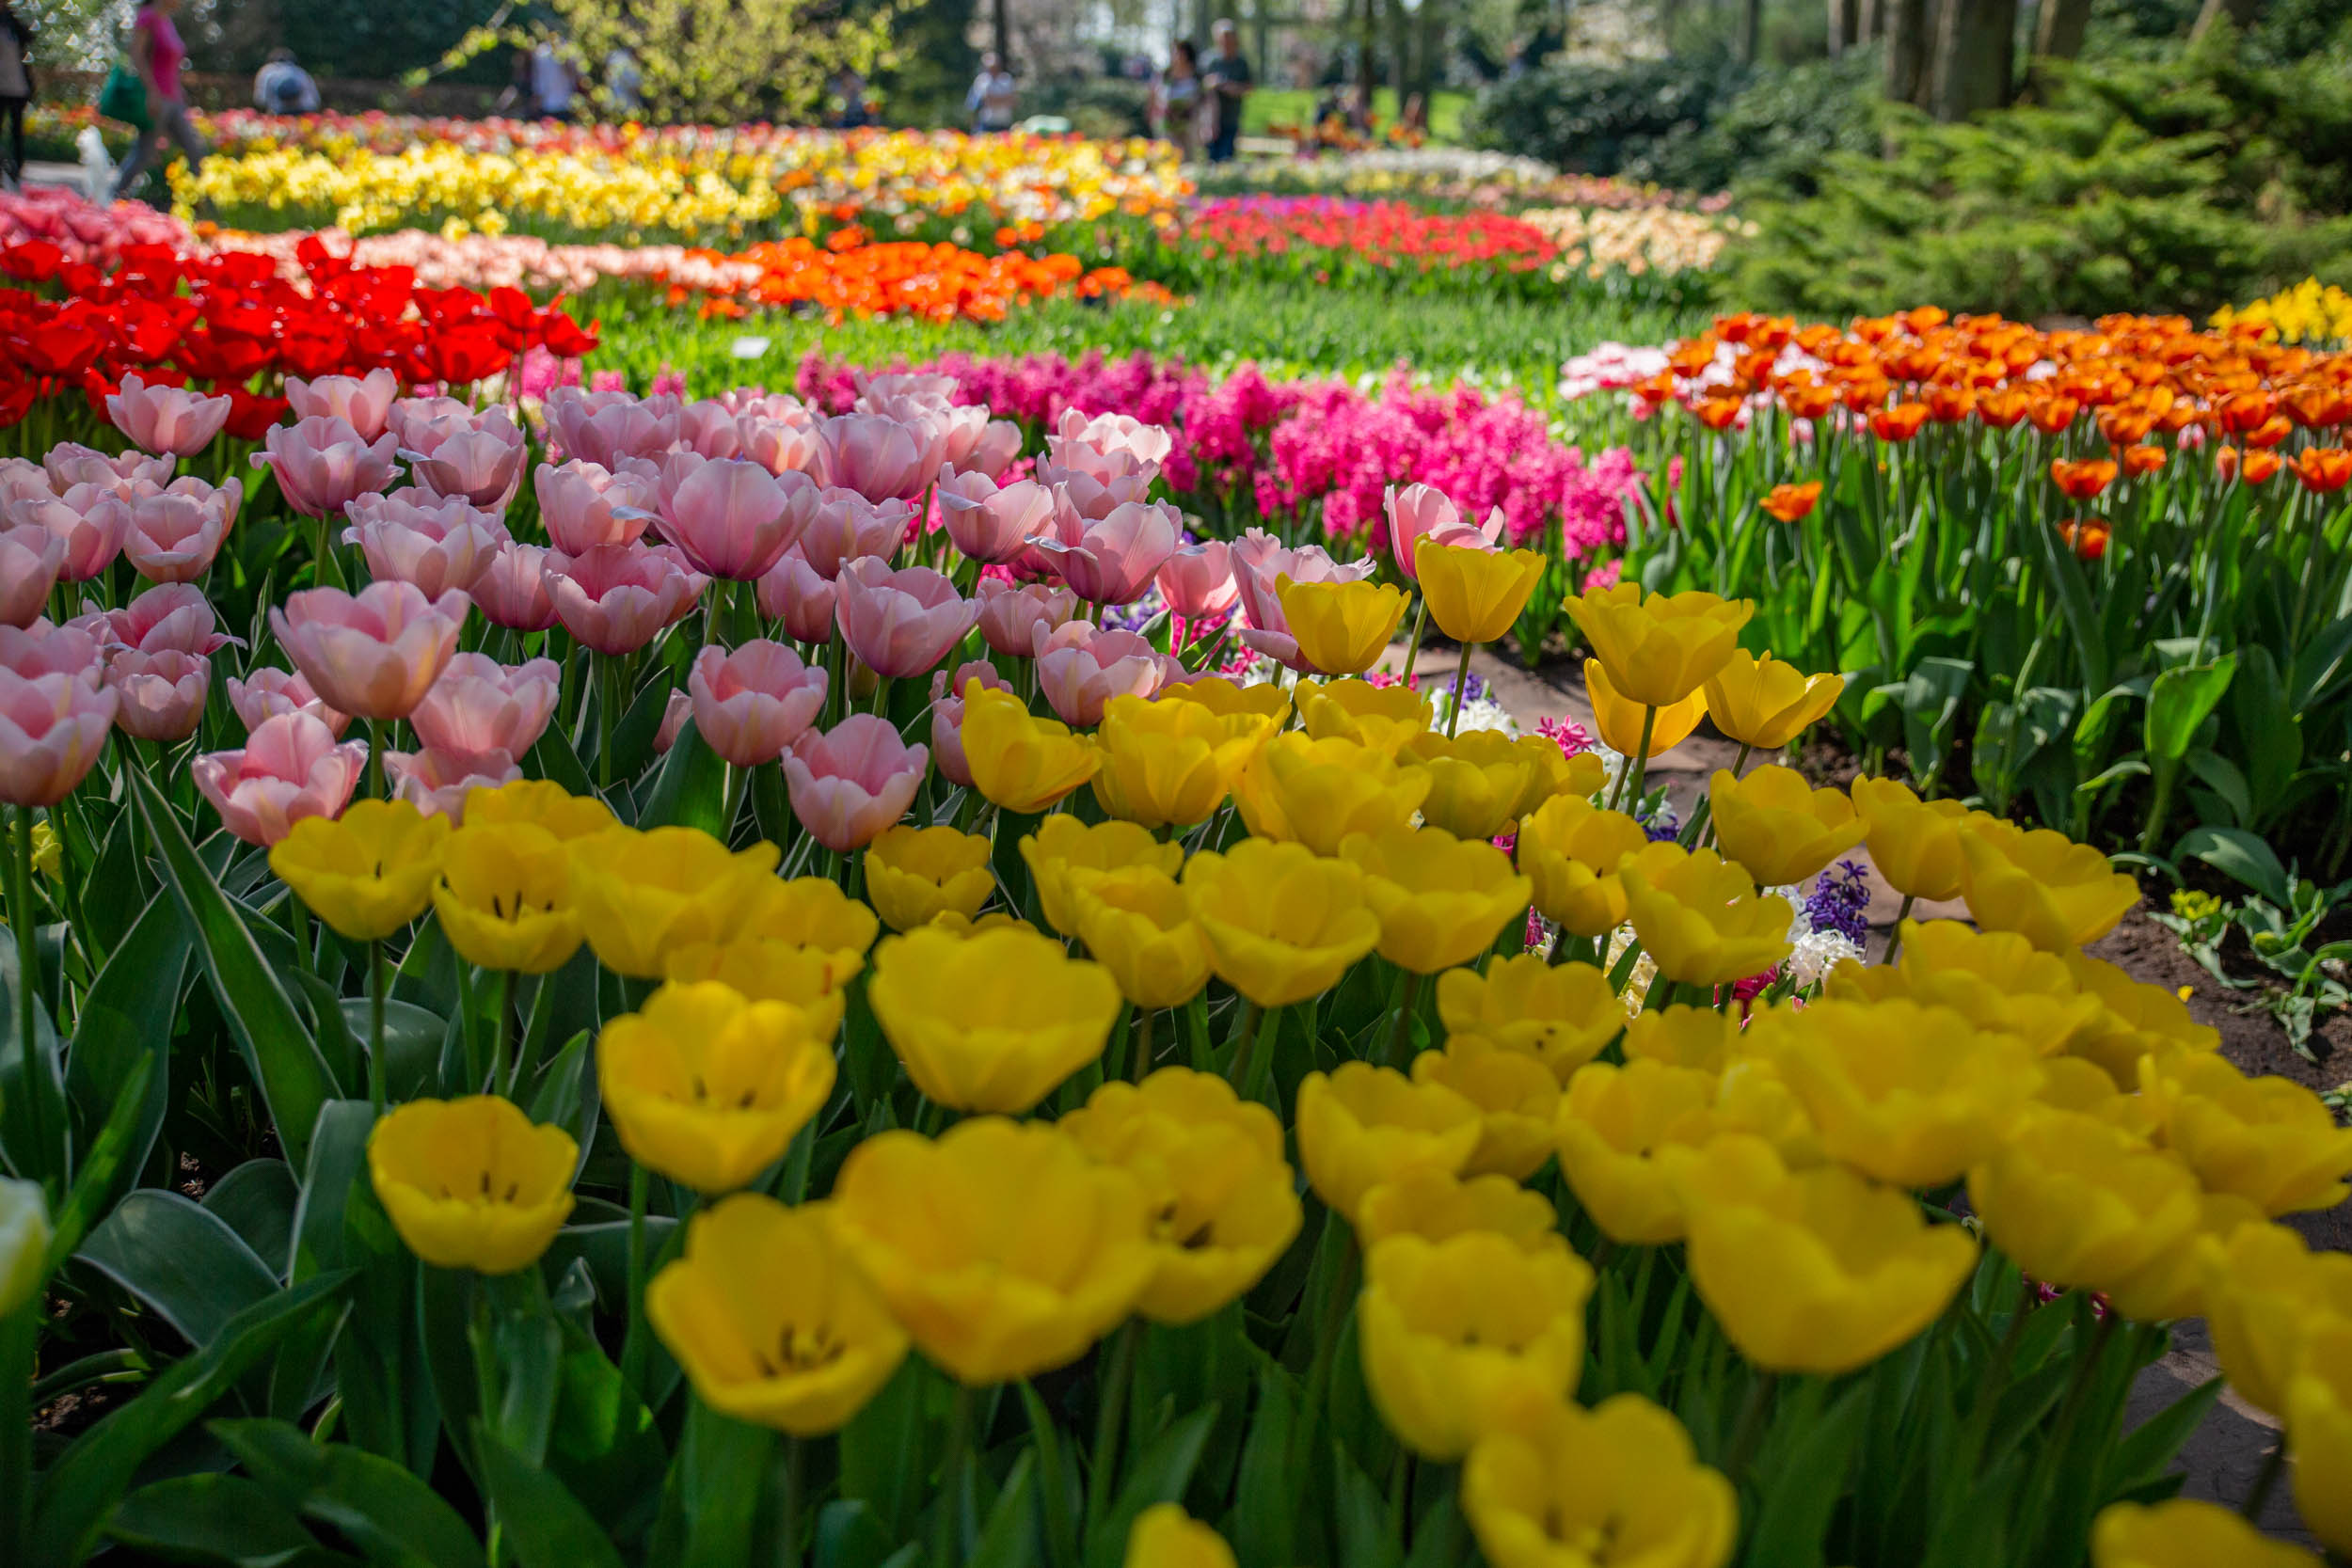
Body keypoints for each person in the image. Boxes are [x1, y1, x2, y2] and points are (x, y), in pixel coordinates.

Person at [111, 0, 207, 205]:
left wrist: (180, 93)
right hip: (157, 98)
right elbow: (136, 54)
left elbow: (171, 64)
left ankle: (204, 204)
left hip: (174, 99)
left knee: (194, 148)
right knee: (143, 152)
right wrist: (151, 91)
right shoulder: (148, 17)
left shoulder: (167, 20)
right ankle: (113, 198)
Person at [1201, 18, 1251, 164]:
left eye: (1229, 38)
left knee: (1227, 157)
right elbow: (1200, 85)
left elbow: (1249, 87)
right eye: (1222, 39)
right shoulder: (1210, 61)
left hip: (1232, 117)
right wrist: (1212, 83)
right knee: (1211, 157)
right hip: (1211, 118)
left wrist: (1234, 88)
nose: (1226, 42)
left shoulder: (1241, 62)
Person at [1151, 40, 1201, 161]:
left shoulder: (1196, 77)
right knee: (1166, 156)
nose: (1175, 56)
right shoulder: (1165, 75)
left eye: (1178, 52)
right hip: (1167, 123)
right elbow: (1154, 94)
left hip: (1189, 124)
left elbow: (1203, 99)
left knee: (1187, 158)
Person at [0, 2, 29, 193]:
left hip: (17, 87)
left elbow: (29, 37)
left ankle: (16, 168)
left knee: (16, 131)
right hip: (1, 87)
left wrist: (12, 16)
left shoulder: (11, 22)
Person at [252, 48, 319, 115]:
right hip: (302, 110)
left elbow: (260, 99)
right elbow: (314, 100)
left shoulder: (266, 71)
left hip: (278, 111)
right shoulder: (300, 71)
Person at [966, 52, 1015, 134]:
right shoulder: (981, 80)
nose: (993, 70)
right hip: (986, 125)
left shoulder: (1007, 79)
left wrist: (993, 99)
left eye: (995, 67)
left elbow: (1013, 101)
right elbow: (984, 101)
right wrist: (1004, 99)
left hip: (1004, 123)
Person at [529, 40, 576, 121]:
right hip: (547, 105)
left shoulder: (569, 50)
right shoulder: (541, 52)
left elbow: (575, 78)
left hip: (566, 105)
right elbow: (538, 81)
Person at [604, 46, 642, 114]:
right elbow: (634, 86)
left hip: (614, 103)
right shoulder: (625, 62)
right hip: (626, 105)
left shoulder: (615, 57)